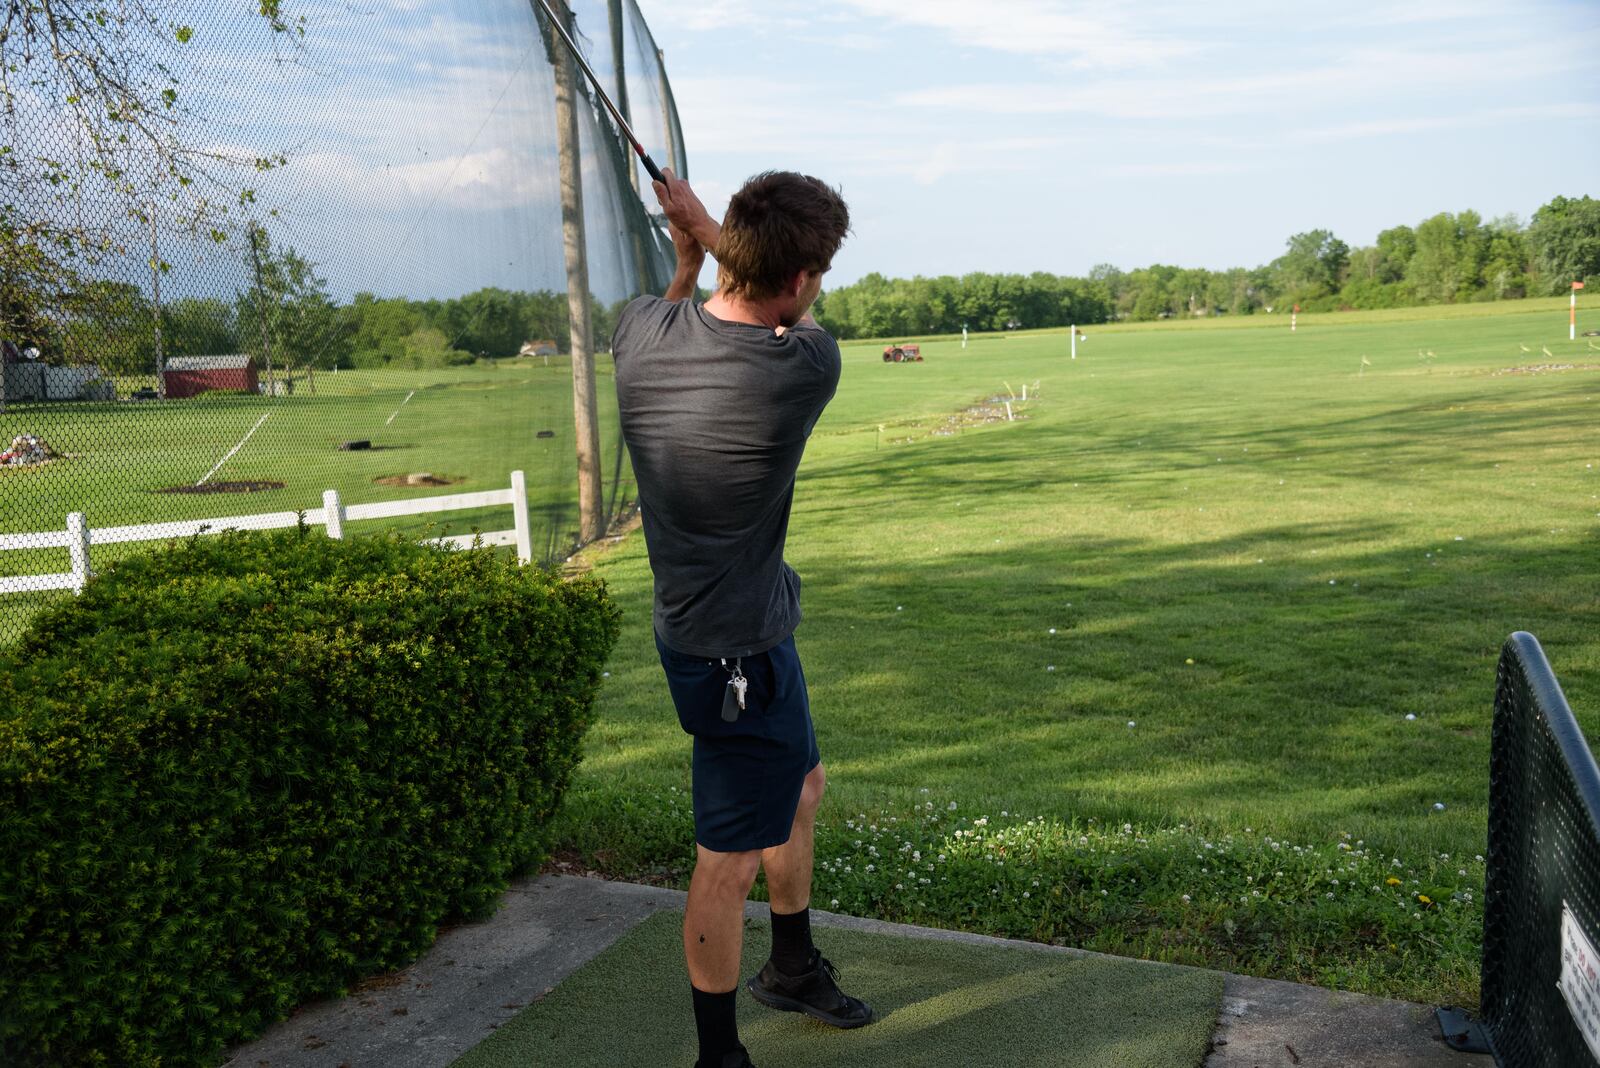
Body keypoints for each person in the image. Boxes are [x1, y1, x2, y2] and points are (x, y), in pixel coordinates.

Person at [611, 169, 871, 1068]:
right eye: (820, 269)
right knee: (724, 859)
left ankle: (792, 965)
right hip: (730, 659)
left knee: (802, 787)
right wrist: (706, 232)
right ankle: (718, 1057)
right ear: (800, 280)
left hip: (743, 633)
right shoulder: (802, 365)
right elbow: (766, 303)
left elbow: (680, 304)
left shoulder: (639, 336)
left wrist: (691, 247)